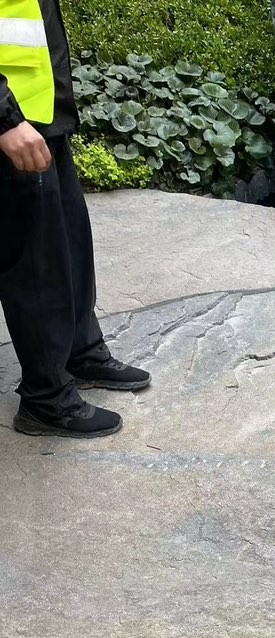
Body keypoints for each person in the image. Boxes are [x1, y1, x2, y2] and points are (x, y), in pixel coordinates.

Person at [0, 0, 150, 438]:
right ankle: (45, 397)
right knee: (35, 261)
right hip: (13, 124)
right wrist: (4, 118)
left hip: (41, 112)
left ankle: (78, 351)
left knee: (69, 238)